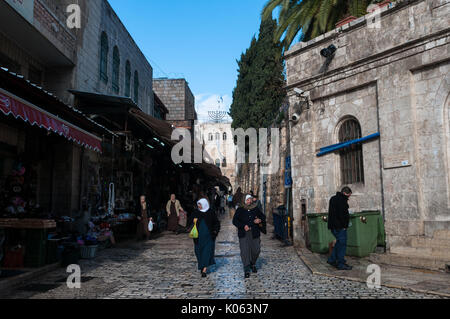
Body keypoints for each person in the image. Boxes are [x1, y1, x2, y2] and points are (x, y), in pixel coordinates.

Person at [233, 194, 266, 279]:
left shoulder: (255, 209)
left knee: (256, 250)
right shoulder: (240, 210)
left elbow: (262, 216)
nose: (249, 201)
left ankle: (253, 262)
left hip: (254, 233)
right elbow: (235, 221)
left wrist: (259, 220)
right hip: (244, 234)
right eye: (247, 200)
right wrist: (243, 226)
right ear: (244, 200)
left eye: (250, 199)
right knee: (245, 251)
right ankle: (246, 269)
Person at [189, 198, 220, 278]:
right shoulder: (196, 213)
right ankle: (202, 265)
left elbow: (216, 223)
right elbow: (189, 221)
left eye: (200, 204)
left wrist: (215, 232)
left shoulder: (210, 212)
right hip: (198, 237)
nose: (198, 206)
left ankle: (204, 270)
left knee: (207, 252)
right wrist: (193, 221)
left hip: (208, 237)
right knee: (198, 252)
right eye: (198, 204)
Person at [327, 187, 353, 270]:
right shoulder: (342, 200)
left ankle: (332, 259)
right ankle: (340, 263)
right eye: (348, 196)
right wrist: (345, 226)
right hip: (340, 227)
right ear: (345, 193)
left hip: (333, 226)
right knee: (342, 244)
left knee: (339, 242)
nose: (348, 198)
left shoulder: (333, 199)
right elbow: (342, 215)